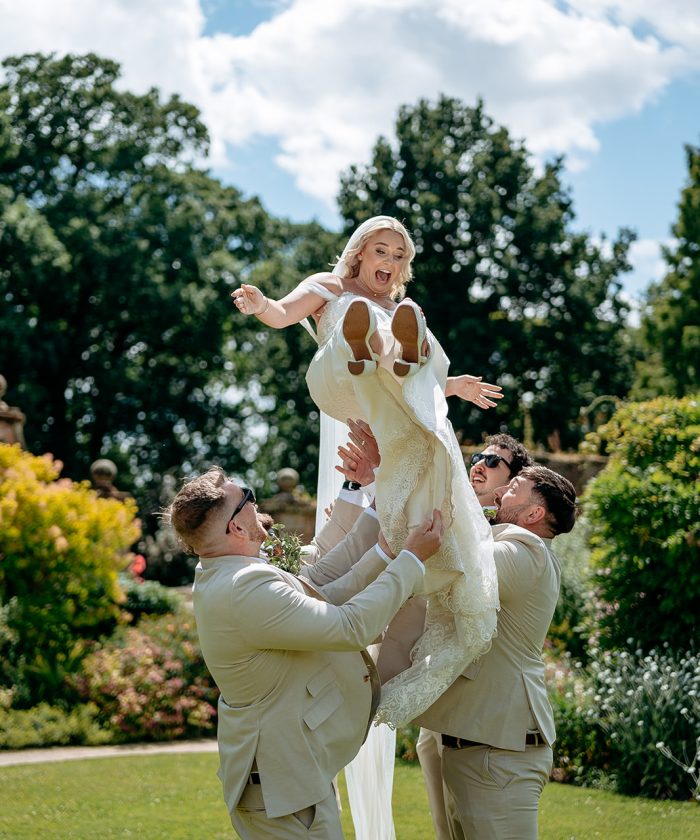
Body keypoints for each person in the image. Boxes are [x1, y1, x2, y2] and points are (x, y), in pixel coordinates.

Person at [232, 216, 501, 728]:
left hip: (389, 399)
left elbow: (425, 390)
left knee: (411, 333)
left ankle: (391, 356)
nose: (391, 263)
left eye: (400, 257)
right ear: (359, 253)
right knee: (361, 319)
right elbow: (285, 313)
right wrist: (260, 305)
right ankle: (363, 350)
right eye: (382, 251)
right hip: (341, 385)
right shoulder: (332, 286)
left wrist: (454, 385)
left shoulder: (400, 308)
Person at [167, 466, 443, 839]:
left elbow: (323, 597)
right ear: (235, 527)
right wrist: (410, 560)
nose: (256, 501)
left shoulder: (229, 572)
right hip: (283, 792)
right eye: (246, 497)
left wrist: (386, 552)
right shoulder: (244, 587)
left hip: (290, 779)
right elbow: (349, 627)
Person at [409, 465, 578, 840]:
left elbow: (460, 562)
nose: (500, 491)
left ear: (534, 514)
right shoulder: (514, 543)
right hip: (476, 748)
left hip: (499, 758)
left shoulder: (526, 550)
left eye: (514, 487)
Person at [416, 433, 534, 838]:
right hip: (437, 705)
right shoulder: (444, 512)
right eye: (477, 456)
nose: (479, 464)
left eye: (493, 461)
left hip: (483, 715)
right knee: (445, 828)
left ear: (514, 483)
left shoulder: (510, 542)